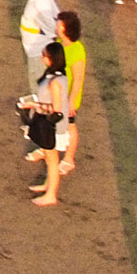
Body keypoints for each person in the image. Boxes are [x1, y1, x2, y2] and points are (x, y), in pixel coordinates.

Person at [25, 41, 71, 206]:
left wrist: (33, 106)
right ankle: (48, 185)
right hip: (49, 125)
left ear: (51, 59)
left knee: (52, 160)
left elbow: (56, 110)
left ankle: (51, 194)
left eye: (44, 55)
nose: (42, 57)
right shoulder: (58, 76)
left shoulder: (55, 82)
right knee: (49, 158)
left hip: (51, 127)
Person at [18, 0, 59, 87]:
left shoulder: (40, 6)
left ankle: (37, 106)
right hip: (34, 49)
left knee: (37, 84)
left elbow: (51, 27)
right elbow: (57, 14)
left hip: (38, 50)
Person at [55, 12, 86, 178]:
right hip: (56, 94)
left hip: (68, 98)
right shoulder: (60, 43)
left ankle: (69, 159)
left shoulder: (76, 51)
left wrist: (71, 102)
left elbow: (78, 79)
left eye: (59, 25)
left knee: (70, 127)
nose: (57, 27)